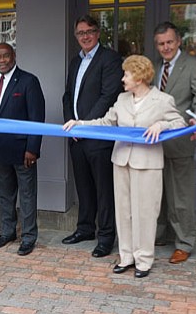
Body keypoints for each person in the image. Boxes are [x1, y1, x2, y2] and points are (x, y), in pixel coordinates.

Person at [64, 55, 186, 278]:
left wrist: (162, 124)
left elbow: (180, 123)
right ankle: (127, 256)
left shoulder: (162, 100)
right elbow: (105, 122)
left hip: (147, 164)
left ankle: (144, 260)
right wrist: (79, 124)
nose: (122, 79)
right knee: (124, 212)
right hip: (121, 161)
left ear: (139, 77)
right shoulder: (121, 99)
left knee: (145, 213)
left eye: (126, 74)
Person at [62, 14, 123, 258]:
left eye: (89, 32)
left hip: (98, 135)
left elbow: (108, 96)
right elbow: (67, 95)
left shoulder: (109, 58)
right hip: (76, 136)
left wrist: (85, 124)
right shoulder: (75, 62)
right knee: (84, 187)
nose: (85, 36)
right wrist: (71, 124)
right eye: (80, 33)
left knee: (103, 189)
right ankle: (85, 229)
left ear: (98, 33)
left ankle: (106, 237)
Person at [153, 22, 196, 264]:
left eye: (169, 42)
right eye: (161, 43)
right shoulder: (155, 68)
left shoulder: (193, 65)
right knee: (157, 193)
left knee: (181, 197)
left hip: (179, 140)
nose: (165, 47)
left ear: (178, 42)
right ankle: (158, 235)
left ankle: (184, 242)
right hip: (154, 142)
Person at [0, 43, 46, 256]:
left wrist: (33, 149)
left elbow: (37, 118)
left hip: (23, 151)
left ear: (14, 56)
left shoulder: (29, 81)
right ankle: (7, 231)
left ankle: (28, 237)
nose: (1, 60)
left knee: (27, 196)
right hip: (0, 149)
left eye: (5, 56)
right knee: (5, 195)